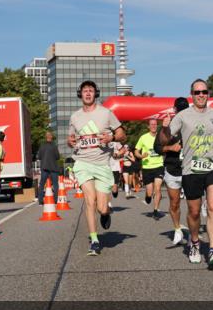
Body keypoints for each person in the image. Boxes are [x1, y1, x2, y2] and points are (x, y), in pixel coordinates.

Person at [167, 79, 213, 268]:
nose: (201, 95)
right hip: (191, 169)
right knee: (193, 212)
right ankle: (194, 242)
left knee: (212, 206)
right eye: (197, 92)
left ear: (208, 94)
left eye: (204, 92)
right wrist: (164, 127)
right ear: (191, 95)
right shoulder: (183, 116)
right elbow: (164, 138)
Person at [68, 79, 126, 256]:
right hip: (83, 162)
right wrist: (70, 141)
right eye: (84, 90)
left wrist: (111, 139)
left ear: (95, 94)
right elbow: (71, 139)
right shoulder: (75, 117)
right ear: (80, 94)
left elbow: (122, 134)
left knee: (102, 207)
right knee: (89, 200)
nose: (87, 93)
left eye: (91, 91)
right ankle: (94, 240)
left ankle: (106, 214)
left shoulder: (106, 113)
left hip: (102, 164)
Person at [156, 97, 189, 245]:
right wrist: (170, 147)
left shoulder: (193, 123)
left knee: (193, 204)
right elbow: (157, 148)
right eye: (179, 109)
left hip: (190, 169)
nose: (182, 111)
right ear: (175, 110)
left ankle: (193, 235)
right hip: (172, 169)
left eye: (185, 108)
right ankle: (177, 230)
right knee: (174, 203)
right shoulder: (168, 125)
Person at [135, 118, 165, 219]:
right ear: (148, 126)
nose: (153, 126)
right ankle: (148, 196)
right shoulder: (143, 137)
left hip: (159, 165)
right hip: (147, 167)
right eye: (151, 124)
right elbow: (136, 151)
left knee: (157, 188)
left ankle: (155, 210)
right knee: (149, 191)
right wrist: (140, 156)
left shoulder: (161, 137)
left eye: (155, 124)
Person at [36, 131, 62, 205]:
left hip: (44, 167)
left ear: (46, 137)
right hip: (53, 167)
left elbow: (39, 157)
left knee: (42, 184)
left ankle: (40, 201)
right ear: (51, 137)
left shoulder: (42, 146)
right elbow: (58, 157)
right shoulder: (54, 146)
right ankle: (55, 200)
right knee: (55, 184)